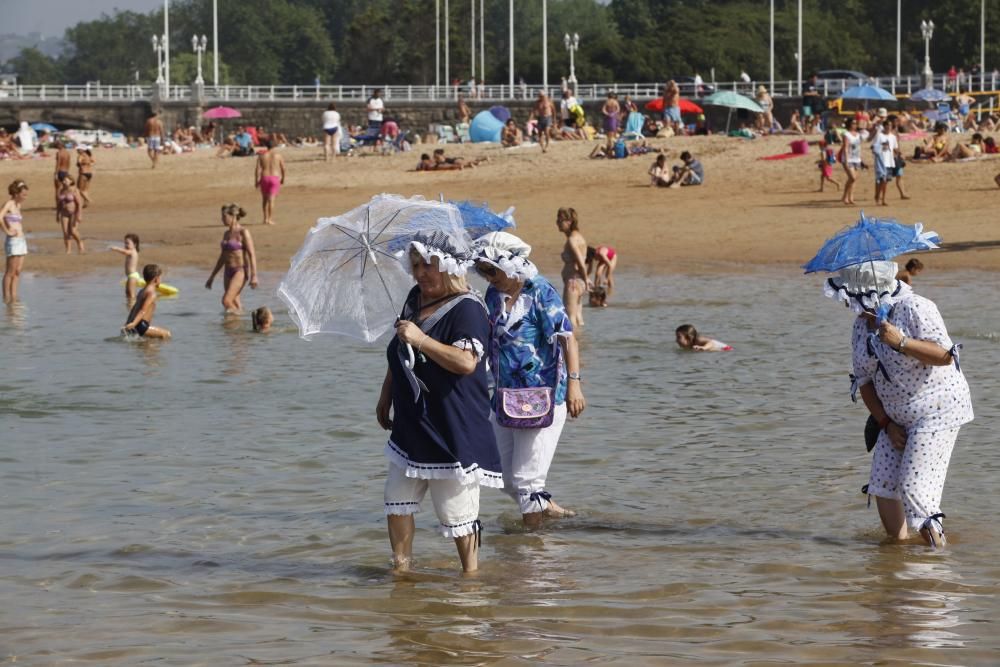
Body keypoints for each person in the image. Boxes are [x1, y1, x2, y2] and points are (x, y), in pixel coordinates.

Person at [375, 232, 502, 573]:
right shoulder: (414, 299)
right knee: (396, 502)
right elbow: (400, 351)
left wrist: (421, 338)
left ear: (447, 266)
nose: (420, 274)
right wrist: (385, 395)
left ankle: (471, 576)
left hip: (452, 427)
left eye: (428, 265)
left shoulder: (470, 309)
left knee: (457, 515)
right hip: (412, 424)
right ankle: (401, 571)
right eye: (415, 266)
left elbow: (465, 363)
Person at [829, 260, 972, 547]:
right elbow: (865, 381)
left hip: (937, 410)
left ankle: (935, 568)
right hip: (895, 415)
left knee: (914, 490)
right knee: (883, 486)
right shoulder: (861, 326)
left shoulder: (915, 307)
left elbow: (945, 356)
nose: (847, 303)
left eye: (850, 296)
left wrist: (901, 341)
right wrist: (886, 423)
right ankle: (898, 559)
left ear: (869, 293)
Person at [472, 232, 585, 529]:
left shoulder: (540, 291)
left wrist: (574, 383)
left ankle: (531, 555)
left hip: (543, 396)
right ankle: (543, 506)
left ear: (510, 265)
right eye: (482, 270)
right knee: (500, 475)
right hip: (504, 396)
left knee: (526, 480)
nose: (487, 276)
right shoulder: (494, 295)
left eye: (491, 270)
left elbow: (568, 338)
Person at [206, 203, 258, 312]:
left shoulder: (243, 232)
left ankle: (236, 319)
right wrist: (212, 277)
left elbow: (251, 254)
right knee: (235, 302)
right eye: (222, 217)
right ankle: (238, 325)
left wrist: (254, 276)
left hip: (240, 271)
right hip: (227, 271)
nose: (222, 219)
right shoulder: (226, 234)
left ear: (233, 217)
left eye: (224, 217)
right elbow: (222, 257)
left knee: (226, 301)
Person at [556, 208, 589, 328]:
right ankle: (581, 343)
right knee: (579, 318)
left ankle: (573, 345)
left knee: (570, 320)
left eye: (560, 220)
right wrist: (585, 280)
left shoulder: (572, 240)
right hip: (578, 282)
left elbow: (580, 262)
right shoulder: (579, 237)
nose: (557, 223)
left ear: (569, 221)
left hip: (573, 284)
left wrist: (586, 279)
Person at [123, 264, 171, 339]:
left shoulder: (142, 291)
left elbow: (134, 309)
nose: (161, 280)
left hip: (136, 323)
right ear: (156, 279)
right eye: (160, 278)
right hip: (141, 326)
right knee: (166, 334)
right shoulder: (151, 293)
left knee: (148, 346)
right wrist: (134, 324)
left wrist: (129, 322)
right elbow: (142, 310)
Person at [1, 179, 28, 303]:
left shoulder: (18, 205)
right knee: (10, 271)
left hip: (21, 240)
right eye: (23, 195)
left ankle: (14, 297)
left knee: (17, 271)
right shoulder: (9, 203)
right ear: (16, 193)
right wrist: (7, 231)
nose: (25, 197)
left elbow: (16, 221)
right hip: (13, 241)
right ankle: (6, 298)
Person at [255, 139, 286, 225]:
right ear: (274, 146)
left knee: (264, 200)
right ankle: (270, 219)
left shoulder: (261, 155)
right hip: (275, 178)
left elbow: (257, 169)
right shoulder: (278, 155)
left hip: (264, 177)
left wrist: (256, 181)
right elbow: (283, 168)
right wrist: (283, 178)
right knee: (271, 200)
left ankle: (265, 219)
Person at [872, 115, 897, 206]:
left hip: (889, 161)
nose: (889, 127)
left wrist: (899, 155)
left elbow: (894, 148)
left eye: (890, 125)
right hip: (880, 161)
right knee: (880, 180)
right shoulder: (879, 136)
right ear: (884, 126)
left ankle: (883, 198)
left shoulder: (893, 137)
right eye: (887, 125)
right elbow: (873, 147)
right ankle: (877, 196)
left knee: (885, 181)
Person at [109, 233, 141, 305]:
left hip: (133, 276)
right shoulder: (130, 251)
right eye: (125, 243)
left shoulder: (132, 251)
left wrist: (116, 248)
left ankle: (132, 307)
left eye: (128, 243)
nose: (125, 245)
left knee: (131, 295)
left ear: (135, 244)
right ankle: (129, 306)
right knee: (127, 293)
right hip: (130, 276)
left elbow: (125, 252)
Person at [56, 174, 84, 254]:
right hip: (64, 213)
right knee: (65, 232)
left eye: (66, 180)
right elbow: (59, 204)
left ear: (71, 181)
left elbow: (80, 204)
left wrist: (79, 215)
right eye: (63, 180)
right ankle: (68, 250)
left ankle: (80, 243)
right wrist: (57, 214)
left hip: (73, 213)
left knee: (73, 231)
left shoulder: (74, 190)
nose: (64, 182)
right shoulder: (61, 190)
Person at [839, 118, 863, 206]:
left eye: (856, 123)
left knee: (854, 179)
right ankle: (844, 196)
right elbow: (845, 147)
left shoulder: (858, 134)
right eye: (853, 123)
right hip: (848, 158)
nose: (855, 125)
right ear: (849, 124)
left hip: (856, 158)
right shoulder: (847, 134)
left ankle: (851, 197)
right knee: (852, 177)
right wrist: (846, 159)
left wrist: (861, 159)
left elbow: (859, 147)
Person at [53, 141, 71, 206]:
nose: (56, 147)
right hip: (66, 171)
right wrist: (67, 172)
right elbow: (69, 163)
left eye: (57, 146)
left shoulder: (59, 153)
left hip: (60, 171)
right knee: (65, 188)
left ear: (59, 146)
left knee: (57, 189)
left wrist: (56, 174)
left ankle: (58, 204)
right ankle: (65, 203)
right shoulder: (67, 153)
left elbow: (58, 164)